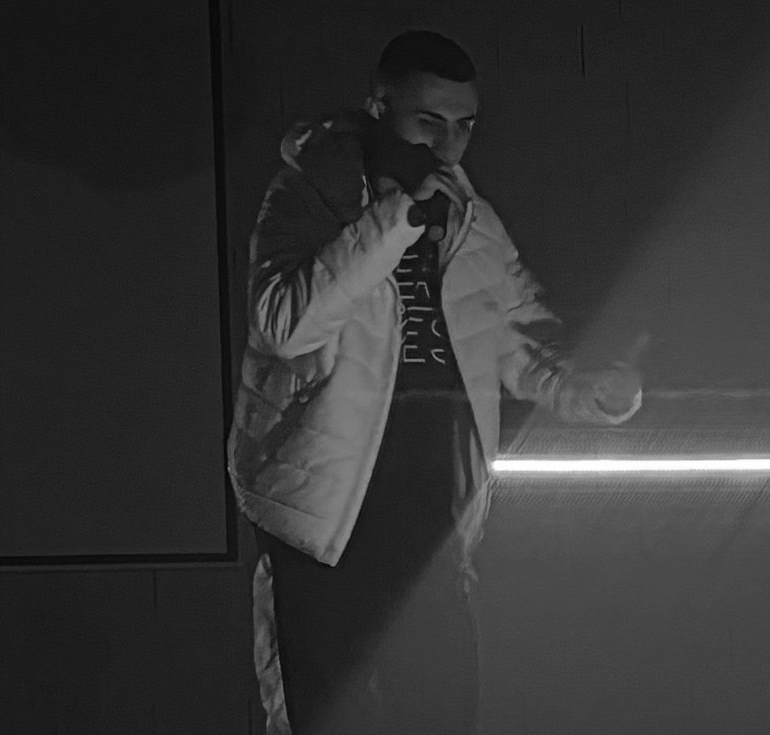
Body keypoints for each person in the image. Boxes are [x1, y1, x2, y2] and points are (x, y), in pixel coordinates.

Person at [228, 30, 644, 735]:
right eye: (429, 121)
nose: (448, 145)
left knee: (445, 711)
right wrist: (397, 220)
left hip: (434, 527)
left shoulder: (473, 222)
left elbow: (522, 336)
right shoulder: (311, 191)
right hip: (326, 528)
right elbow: (285, 325)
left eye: (464, 126)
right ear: (378, 109)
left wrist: (593, 389)